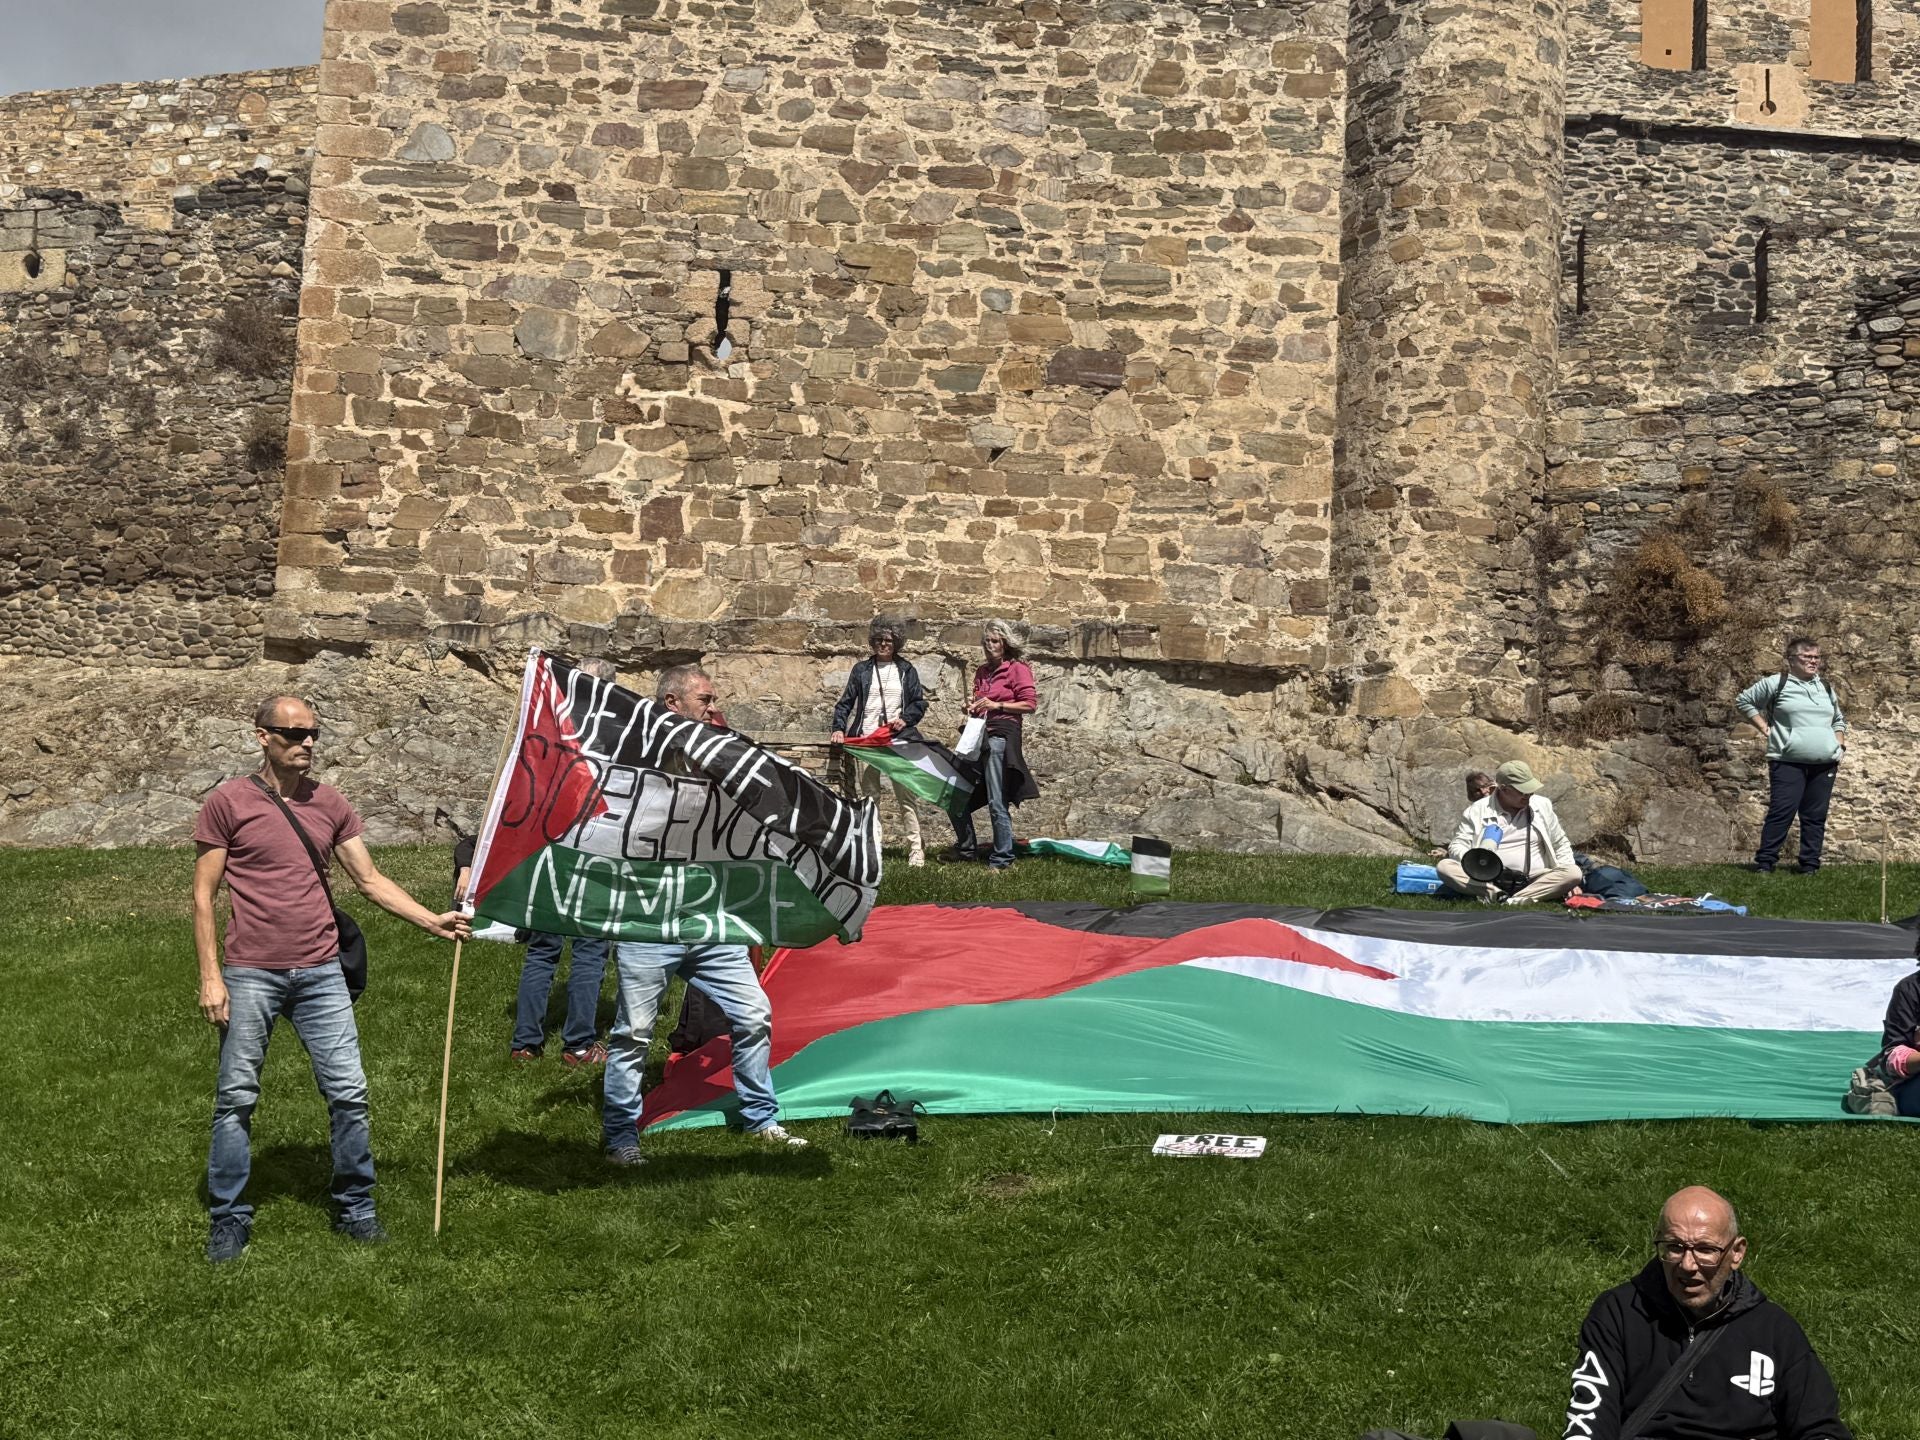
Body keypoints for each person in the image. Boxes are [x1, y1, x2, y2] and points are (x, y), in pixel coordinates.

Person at [192, 695, 468, 1263]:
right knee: (237, 1098)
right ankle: (229, 1217)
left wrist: (431, 920)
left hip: (321, 971)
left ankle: (356, 1209)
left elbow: (368, 879)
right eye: (293, 733)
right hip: (250, 972)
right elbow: (203, 894)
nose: (307, 743)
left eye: (313, 733)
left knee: (349, 1093)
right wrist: (211, 976)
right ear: (261, 736)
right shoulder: (228, 802)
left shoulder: (330, 803)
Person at [601, 662, 808, 1165]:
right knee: (633, 1032)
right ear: (672, 704)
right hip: (648, 920)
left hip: (710, 918)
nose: (715, 708)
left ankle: (761, 1118)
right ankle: (620, 1136)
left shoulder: (723, 756)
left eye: (713, 700)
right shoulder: (635, 757)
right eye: (705, 700)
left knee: (754, 1014)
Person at [1561, 1186, 1852, 1439]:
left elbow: (1819, 1427)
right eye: (1674, 1247)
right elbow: (1588, 1422)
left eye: (1705, 1249)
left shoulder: (1775, 1331)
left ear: (1736, 1252)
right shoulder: (1619, 1314)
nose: (1687, 1265)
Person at [506, 658, 615, 1064]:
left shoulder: (545, 736)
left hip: (548, 851)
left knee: (542, 951)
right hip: (590, 852)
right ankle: (580, 1044)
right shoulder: (610, 739)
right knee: (588, 950)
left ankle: (525, 1044)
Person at [1735, 638, 1846, 874]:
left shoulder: (1825, 687)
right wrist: (1765, 728)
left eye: (1816, 657)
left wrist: (1840, 747)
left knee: (1815, 816)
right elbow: (1744, 701)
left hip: (1824, 763)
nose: (1813, 661)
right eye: (1807, 657)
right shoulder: (1778, 683)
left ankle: (1809, 865)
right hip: (1787, 761)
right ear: (1792, 659)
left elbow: (1838, 720)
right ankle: (1765, 863)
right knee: (1782, 812)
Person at [830, 616, 929, 867]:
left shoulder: (906, 670)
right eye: (878, 640)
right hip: (867, 740)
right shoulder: (861, 670)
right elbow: (846, 702)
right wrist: (839, 728)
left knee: (905, 796)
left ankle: (916, 849)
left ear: (896, 643)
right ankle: (874, 847)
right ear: (872, 642)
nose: (883, 644)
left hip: (896, 740)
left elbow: (919, 703)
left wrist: (905, 719)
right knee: (871, 797)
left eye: (888, 640)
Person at [943, 619, 1040, 872]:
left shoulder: (1017, 668)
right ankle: (966, 850)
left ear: (1005, 643)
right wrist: (973, 708)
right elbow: (981, 704)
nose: (990, 646)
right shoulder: (982, 672)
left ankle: (1002, 859)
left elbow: (1029, 704)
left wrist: (997, 705)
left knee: (997, 800)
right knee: (955, 798)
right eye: (986, 642)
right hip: (979, 736)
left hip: (1001, 737)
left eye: (995, 641)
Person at [1437, 760, 1582, 905]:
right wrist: (1474, 861)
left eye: (1530, 789)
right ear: (1504, 789)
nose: (1528, 794)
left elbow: (1560, 842)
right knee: (1444, 867)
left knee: (1573, 873)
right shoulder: (1476, 810)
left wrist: (1571, 883)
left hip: (1534, 878)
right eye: (1522, 791)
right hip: (1487, 878)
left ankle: (1510, 900)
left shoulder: (1542, 805)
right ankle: (1495, 893)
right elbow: (1458, 844)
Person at [1429, 771, 1496, 858]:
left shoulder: (1505, 804)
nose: (1484, 791)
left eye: (1487, 786)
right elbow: (1463, 841)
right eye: (1478, 789)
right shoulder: (1472, 811)